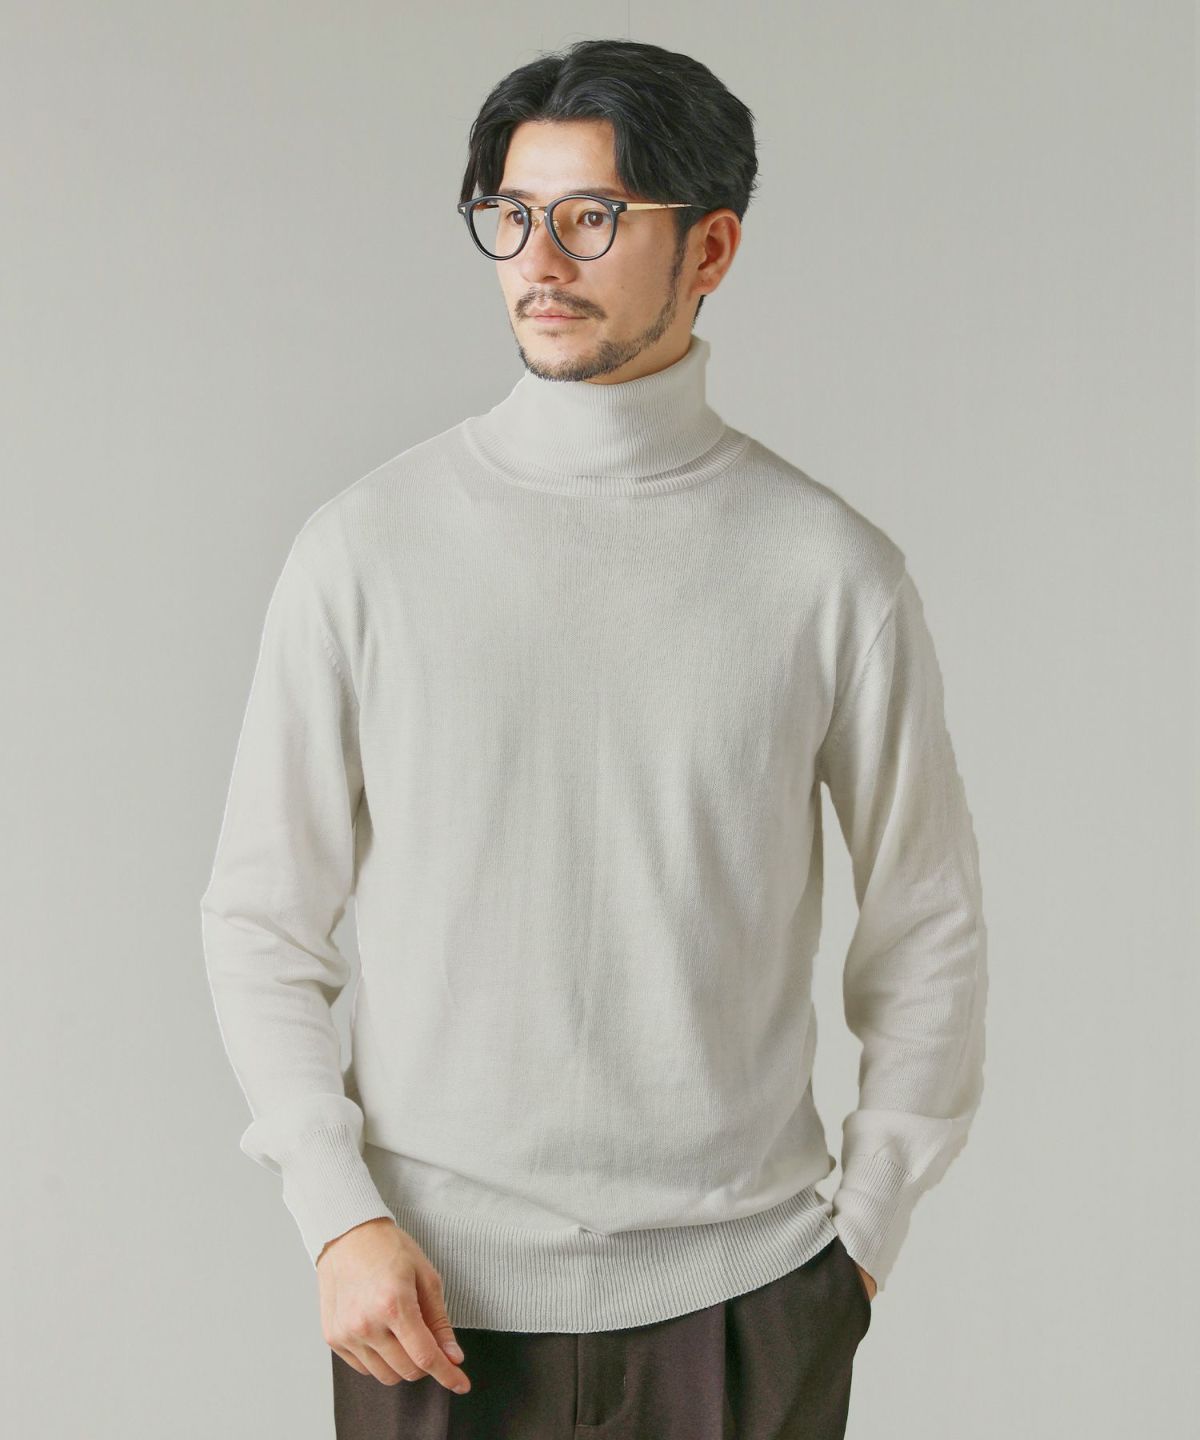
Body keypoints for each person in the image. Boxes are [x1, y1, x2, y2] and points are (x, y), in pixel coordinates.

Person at [200, 36, 988, 1440]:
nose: (541, 261)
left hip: (745, 1304)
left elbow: (929, 926)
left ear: (712, 247)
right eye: (511, 215)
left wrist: (861, 1237)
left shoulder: (829, 572)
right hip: (423, 1300)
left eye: (594, 217)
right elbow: (261, 919)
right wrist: (336, 1216)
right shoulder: (364, 551)